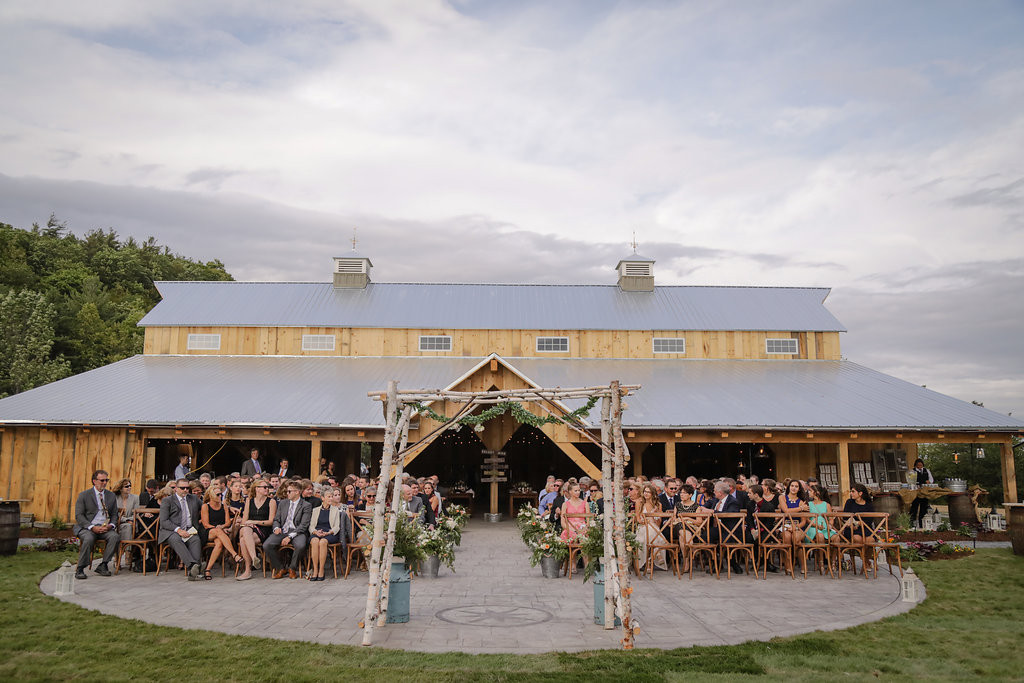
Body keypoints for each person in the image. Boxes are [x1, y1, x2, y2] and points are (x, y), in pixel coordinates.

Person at [72, 469, 121, 579]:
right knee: (88, 538)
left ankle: (103, 565)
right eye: (102, 480)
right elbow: (79, 516)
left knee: (115, 537)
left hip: (105, 527)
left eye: (106, 480)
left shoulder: (111, 496)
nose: (104, 483)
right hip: (88, 527)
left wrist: (111, 525)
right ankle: (80, 568)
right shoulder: (84, 495)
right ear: (94, 481)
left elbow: (114, 514)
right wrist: (92, 527)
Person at [158, 478, 205, 580]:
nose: (185, 490)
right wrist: (178, 530)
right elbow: (164, 521)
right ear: (176, 489)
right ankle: (193, 566)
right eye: (182, 488)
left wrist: (227, 507)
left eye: (187, 488)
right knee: (176, 539)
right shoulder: (167, 501)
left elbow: (206, 507)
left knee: (195, 540)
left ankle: (193, 573)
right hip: (171, 531)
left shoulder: (193, 498)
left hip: (189, 529)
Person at [264, 481, 312, 579]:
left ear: (297, 492)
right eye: (287, 491)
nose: (287, 493)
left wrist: (290, 537)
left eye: (289, 491)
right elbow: (276, 519)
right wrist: (276, 528)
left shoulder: (306, 505)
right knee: (266, 545)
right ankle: (280, 568)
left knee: (300, 545)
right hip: (282, 530)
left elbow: (303, 525)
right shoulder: (283, 503)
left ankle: (292, 568)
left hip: (297, 532)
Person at [236, 480, 277, 581]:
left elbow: (271, 521)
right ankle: (254, 558)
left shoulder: (271, 502)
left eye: (267, 487)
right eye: (264, 487)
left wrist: (255, 522)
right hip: (249, 529)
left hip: (264, 530)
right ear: (257, 489)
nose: (267, 489)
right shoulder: (249, 501)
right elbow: (245, 520)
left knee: (243, 540)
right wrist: (250, 524)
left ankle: (247, 570)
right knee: (245, 530)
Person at [200, 483, 242, 579]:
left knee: (219, 543)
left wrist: (222, 527)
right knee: (218, 532)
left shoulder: (224, 506)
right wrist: (218, 528)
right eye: (217, 495)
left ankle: (207, 570)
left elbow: (227, 523)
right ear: (211, 495)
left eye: (221, 494)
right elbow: (205, 524)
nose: (220, 496)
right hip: (207, 531)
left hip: (220, 531)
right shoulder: (205, 506)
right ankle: (234, 554)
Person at [308, 487, 345, 581]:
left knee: (323, 542)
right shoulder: (315, 510)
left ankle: (321, 570)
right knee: (315, 541)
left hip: (330, 533)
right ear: (322, 498)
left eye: (332, 496)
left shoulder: (335, 510)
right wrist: (316, 532)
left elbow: (337, 527)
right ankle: (315, 570)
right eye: (329, 496)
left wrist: (328, 532)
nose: (331, 498)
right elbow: (311, 526)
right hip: (317, 532)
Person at [635, 483, 669, 571]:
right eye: (645, 491)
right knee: (653, 535)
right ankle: (657, 554)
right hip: (642, 527)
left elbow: (658, 523)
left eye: (648, 492)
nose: (646, 494)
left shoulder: (658, 505)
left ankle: (649, 562)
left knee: (651, 531)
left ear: (653, 494)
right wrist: (643, 521)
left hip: (654, 527)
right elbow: (638, 518)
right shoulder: (639, 502)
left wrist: (656, 516)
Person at [110, 478, 140, 568]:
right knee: (116, 530)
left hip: (132, 522)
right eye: (127, 486)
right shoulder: (115, 498)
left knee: (128, 527)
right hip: (118, 522)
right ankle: (118, 555)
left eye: (130, 485)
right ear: (120, 488)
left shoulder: (135, 498)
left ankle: (127, 552)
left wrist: (129, 520)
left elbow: (136, 513)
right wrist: (124, 519)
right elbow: (114, 513)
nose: (129, 487)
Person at [909, 458, 934, 528]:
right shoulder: (912, 471)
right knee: (914, 508)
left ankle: (922, 524)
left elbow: (931, 479)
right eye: (918, 465)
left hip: (925, 492)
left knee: (924, 508)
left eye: (921, 465)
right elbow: (910, 480)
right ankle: (911, 523)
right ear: (915, 465)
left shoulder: (926, 471)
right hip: (916, 492)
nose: (920, 466)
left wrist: (929, 481)